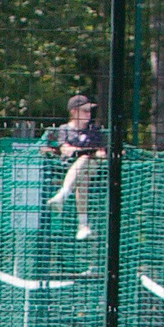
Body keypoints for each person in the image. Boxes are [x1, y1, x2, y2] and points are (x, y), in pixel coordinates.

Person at [45, 94, 106, 241]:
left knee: (85, 160)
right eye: (84, 110)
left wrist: (88, 153)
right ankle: (83, 225)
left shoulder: (94, 130)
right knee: (82, 180)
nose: (88, 114)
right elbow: (65, 149)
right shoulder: (64, 129)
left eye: (89, 111)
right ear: (73, 111)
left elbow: (101, 153)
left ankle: (63, 195)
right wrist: (82, 151)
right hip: (68, 169)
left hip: (92, 167)